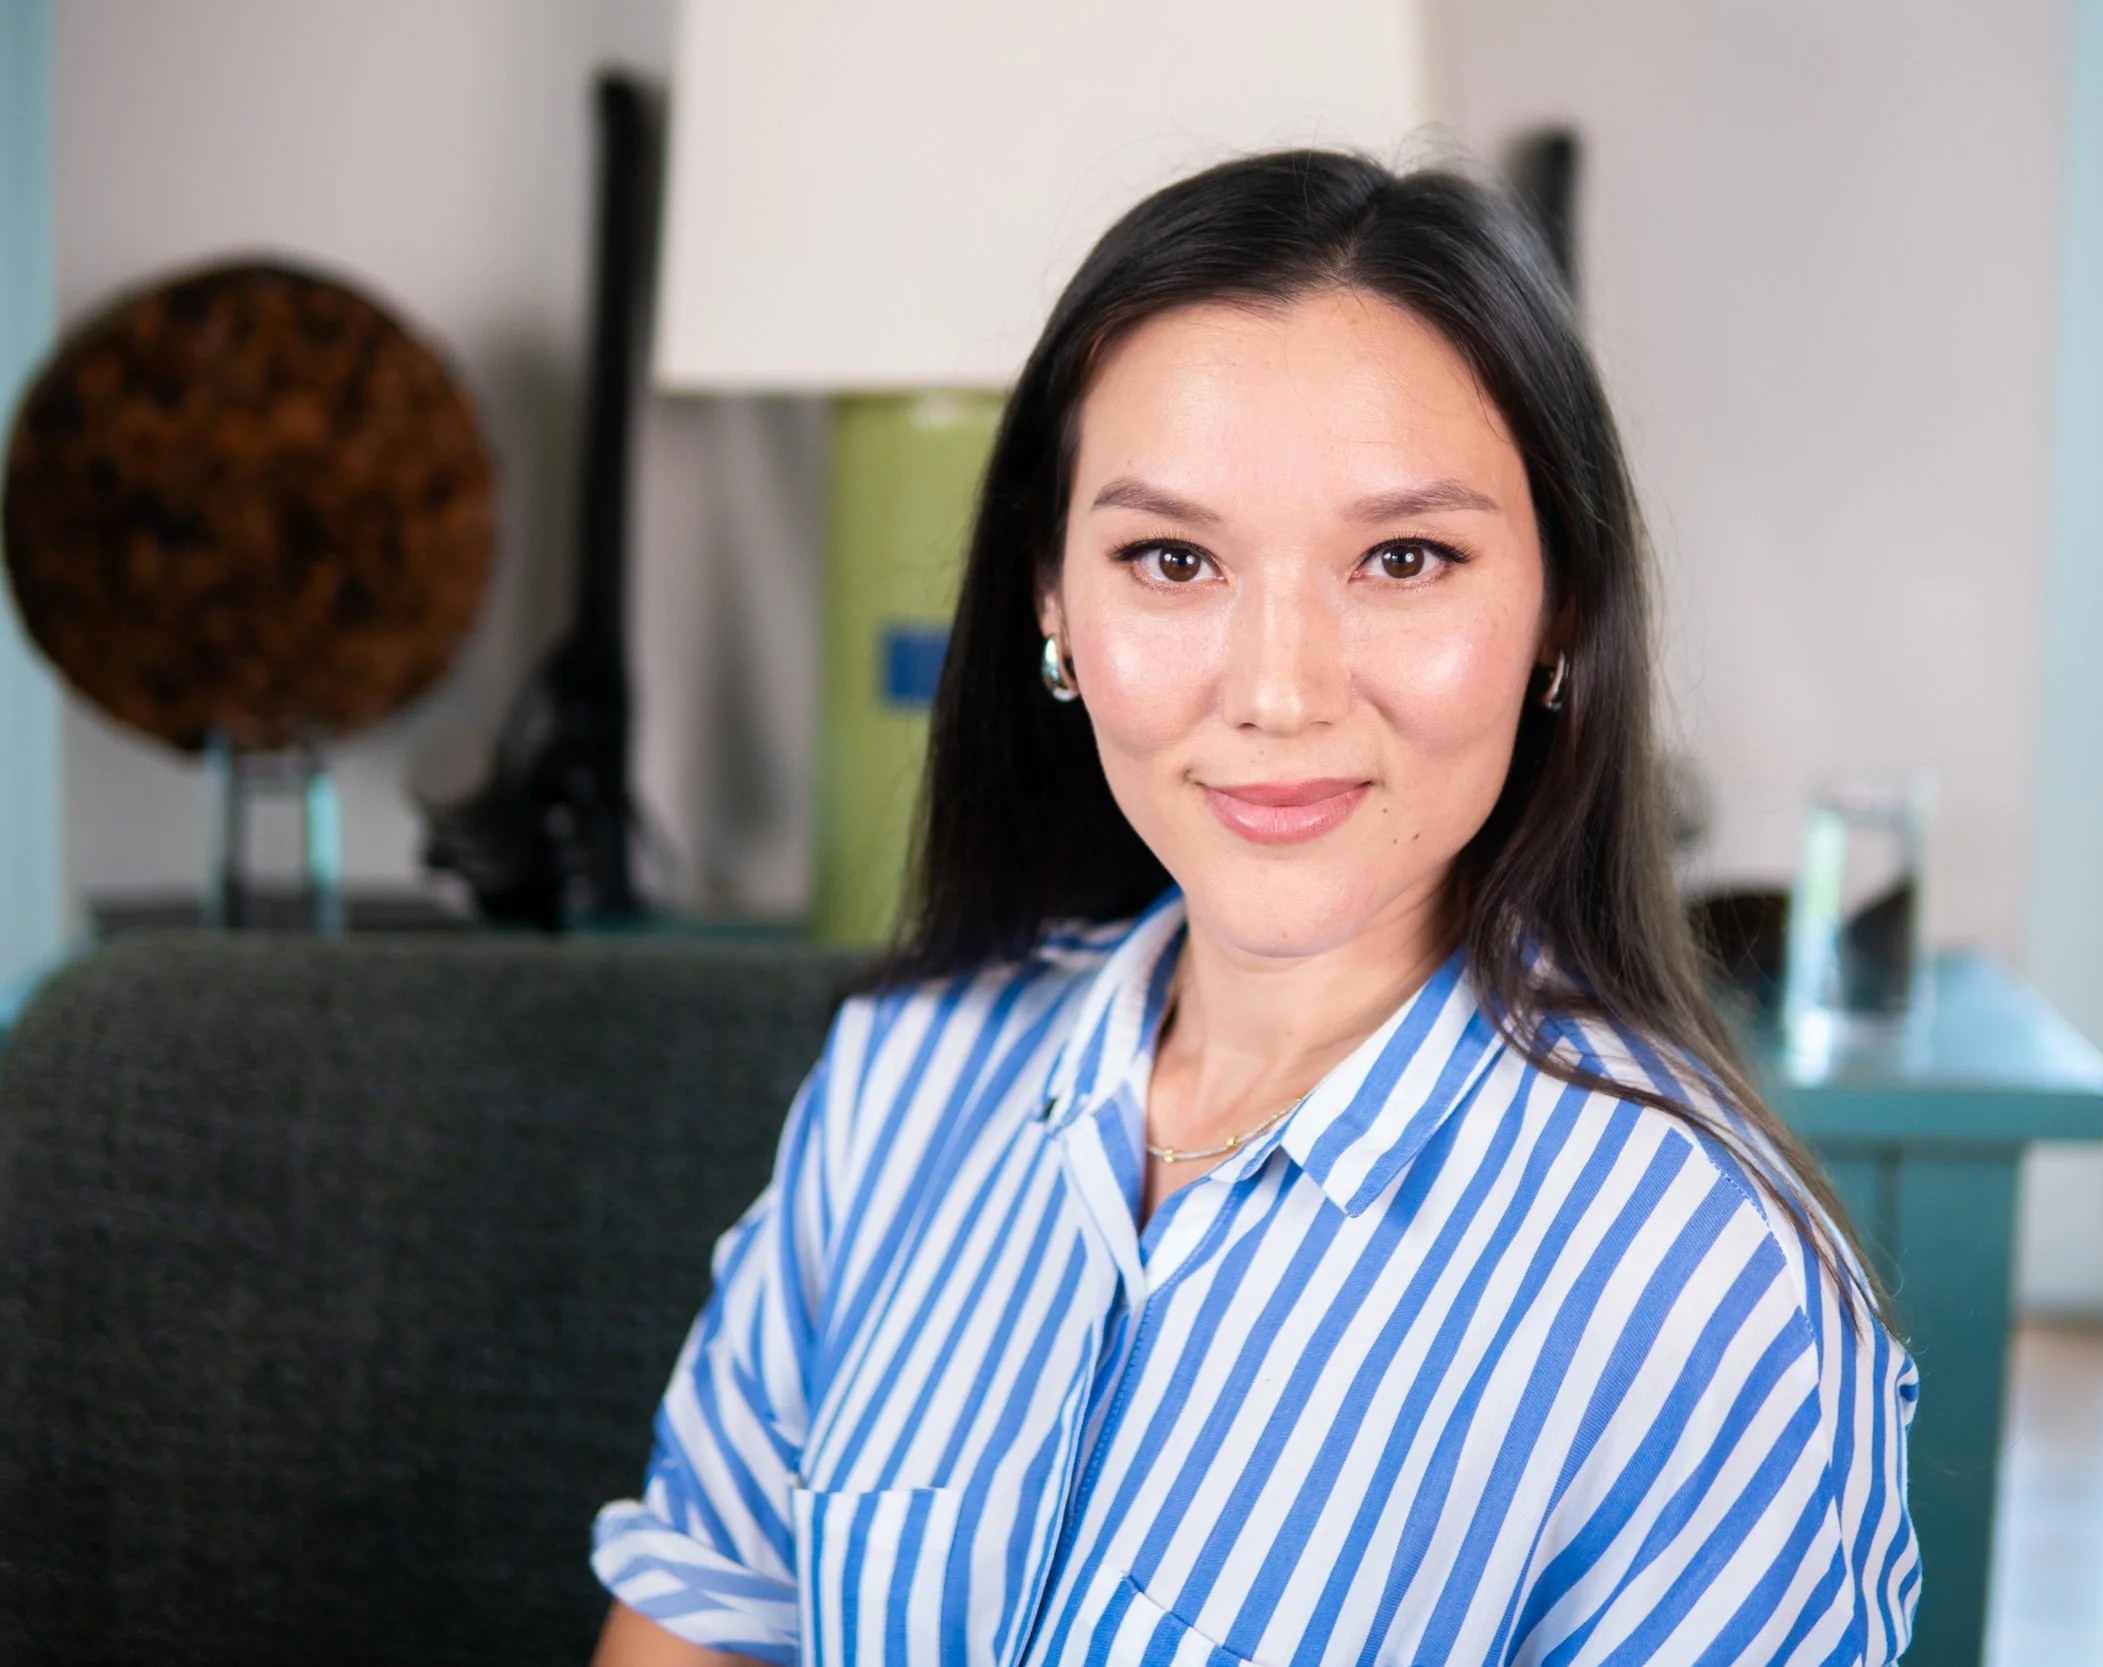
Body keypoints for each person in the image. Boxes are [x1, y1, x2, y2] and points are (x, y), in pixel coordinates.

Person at [588, 149, 1919, 1667]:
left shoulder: (1711, 1289)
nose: (1279, 691)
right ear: (1051, 600)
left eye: (1404, 558)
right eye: (1172, 558)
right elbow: (705, 1611)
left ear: (1561, 603)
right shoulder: (905, 1077)